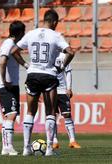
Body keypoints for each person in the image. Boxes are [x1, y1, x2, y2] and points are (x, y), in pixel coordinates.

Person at [11, 9, 75, 156]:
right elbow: (71, 52)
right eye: (56, 23)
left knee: (30, 112)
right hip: (48, 75)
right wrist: (62, 67)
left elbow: (14, 50)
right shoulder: (56, 35)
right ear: (54, 22)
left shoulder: (31, 34)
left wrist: (26, 65)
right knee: (50, 112)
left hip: (32, 74)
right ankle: (49, 149)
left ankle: (26, 148)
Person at [0, 21, 25, 156]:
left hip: (11, 85)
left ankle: (5, 147)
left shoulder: (11, 45)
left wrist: (26, 65)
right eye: (23, 32)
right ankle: (9, 147)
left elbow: (16, 56)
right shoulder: (8, 44)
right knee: (12, 115)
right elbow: (2, 61)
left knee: (9, 115)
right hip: (7, 85)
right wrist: (4, 80)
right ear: (20, 33)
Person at [52, 52, 81, 149]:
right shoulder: (47, 55)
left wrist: (69, 88)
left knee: (67, 115)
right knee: (52, 116)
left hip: (62, 90)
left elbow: (68, 72)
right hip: (50, 90)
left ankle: (72, 141)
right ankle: (54, 141)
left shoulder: (63, 56)